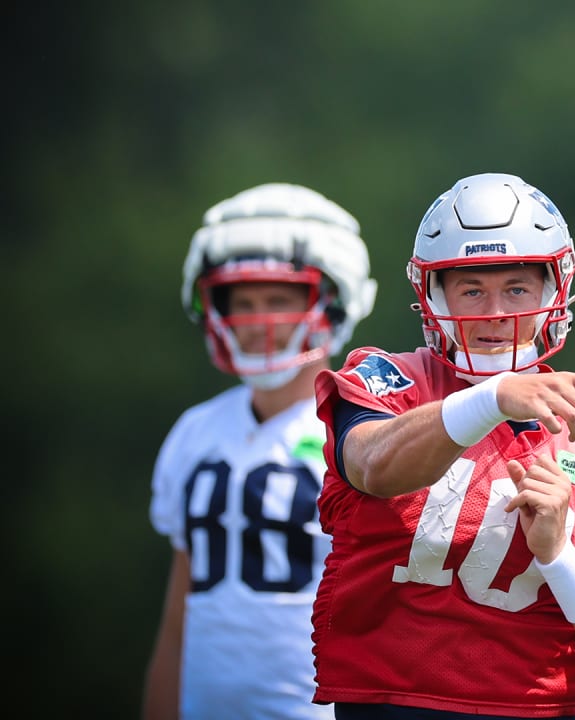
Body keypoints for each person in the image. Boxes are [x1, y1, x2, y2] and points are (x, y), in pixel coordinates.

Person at [309, 172, 575, 719]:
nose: (495, 312)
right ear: (434, 297)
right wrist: (495, 397)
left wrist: (559, 557)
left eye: (517, 288)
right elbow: (373, 465)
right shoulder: (386, 381)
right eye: (472, 289)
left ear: (555, 291)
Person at [143, 182, 379, 719]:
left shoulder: (361, 433)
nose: (258, 320)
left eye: (277, 300)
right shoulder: (195, 431)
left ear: (331, 305)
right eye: (243, 303)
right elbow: (180, 615)